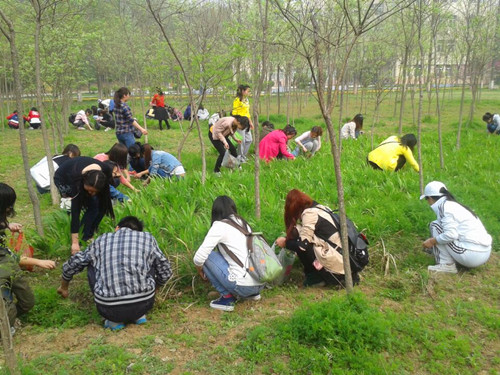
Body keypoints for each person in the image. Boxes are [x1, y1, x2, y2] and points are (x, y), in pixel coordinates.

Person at [57, 216, 172, 331]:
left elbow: (75, 262)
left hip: (109, 308)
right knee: (150, 262)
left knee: (91, 262)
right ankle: (138, 316)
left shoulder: (101, 240)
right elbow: (165, 268)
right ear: (138, 232)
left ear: (117, 228)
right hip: (144, 304)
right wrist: (155, 289)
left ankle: (113, 322)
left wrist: (64, 286)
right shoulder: (147, 238)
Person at [193, 196, 265, 312]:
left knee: (208, 256)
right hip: (259, 283)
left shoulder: (219, 226)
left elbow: (199, 258)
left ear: (215, 212)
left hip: (243, 286)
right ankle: (252, 294)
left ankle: (227, 298)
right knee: (223, 255)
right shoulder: (243, 223)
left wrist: (200, 270)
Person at [275, 189, 359, 287]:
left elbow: (302, 245)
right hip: (344, 261)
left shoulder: (309, 214)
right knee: (300, 233)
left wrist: (286, 243)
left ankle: (316, 277)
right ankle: (319, 275)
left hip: (336, 265)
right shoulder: (321, 208)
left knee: (299, 239)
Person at [0, 183, 56, 330]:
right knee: (7, 306)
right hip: (5, 267)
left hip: (8, 264)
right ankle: (6, 326)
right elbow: (12, 258)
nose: (10, 208)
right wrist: (38, 261)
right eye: (8, 205)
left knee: (27, 301)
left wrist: (7, 225)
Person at [420, 181, 492, 274]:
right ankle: (452, 259)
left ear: (430, 198)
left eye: (427, 199)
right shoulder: (454, 205)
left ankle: (446, 265)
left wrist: (431, 241)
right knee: (441, 228)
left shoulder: (444, 208)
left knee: (435, 225)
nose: (428, 203)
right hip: (485, 252)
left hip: (473, 255)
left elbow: (451, 235)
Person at [53, 156, 115, 254]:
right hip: (63, 177)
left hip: (81, 174)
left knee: (99, 204)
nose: (92, 193)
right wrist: (75, 243)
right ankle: (83, 238)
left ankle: (89, 234)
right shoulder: (75, 181)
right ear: (84, 182)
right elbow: (75, 213)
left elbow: (104, 201)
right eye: (89, 190)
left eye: (94, 191)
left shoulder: (106, 170)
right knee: (89, 204)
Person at [232, 85, 254, 162]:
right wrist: (237, 122)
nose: (248, 92)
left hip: (246, 122)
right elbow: (234, 112)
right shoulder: (237, 100)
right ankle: (239, 157)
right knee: (242, 141)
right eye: (248, 91)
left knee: (249, 140)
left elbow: (247, 112)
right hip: (240, 122)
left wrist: (250, 122)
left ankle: (243, 155)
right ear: (243, 91)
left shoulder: (246, 100)